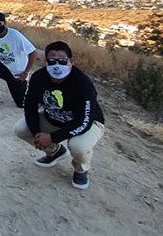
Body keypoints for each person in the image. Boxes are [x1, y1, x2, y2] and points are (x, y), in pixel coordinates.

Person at [14, 41, 105, 190]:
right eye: (52, 60)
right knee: (21, 129)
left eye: (62, 60)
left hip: (88, 122)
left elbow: (84, 121)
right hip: (54, 117)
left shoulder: (83, 83)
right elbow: (30, 106)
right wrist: (38, 133)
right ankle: (55, 152)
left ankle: (81, 170)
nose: (57, 64)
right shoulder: (39, 77)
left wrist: (52, 138)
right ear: (46, 62)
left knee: (78, 147)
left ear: (71, 62)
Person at [0, 12, 37, 106]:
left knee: (21, 103)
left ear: (4, 23)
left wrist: (25, 72)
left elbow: (33, 52)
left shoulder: (15, 35)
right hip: (4, 66)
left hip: (18, 72)